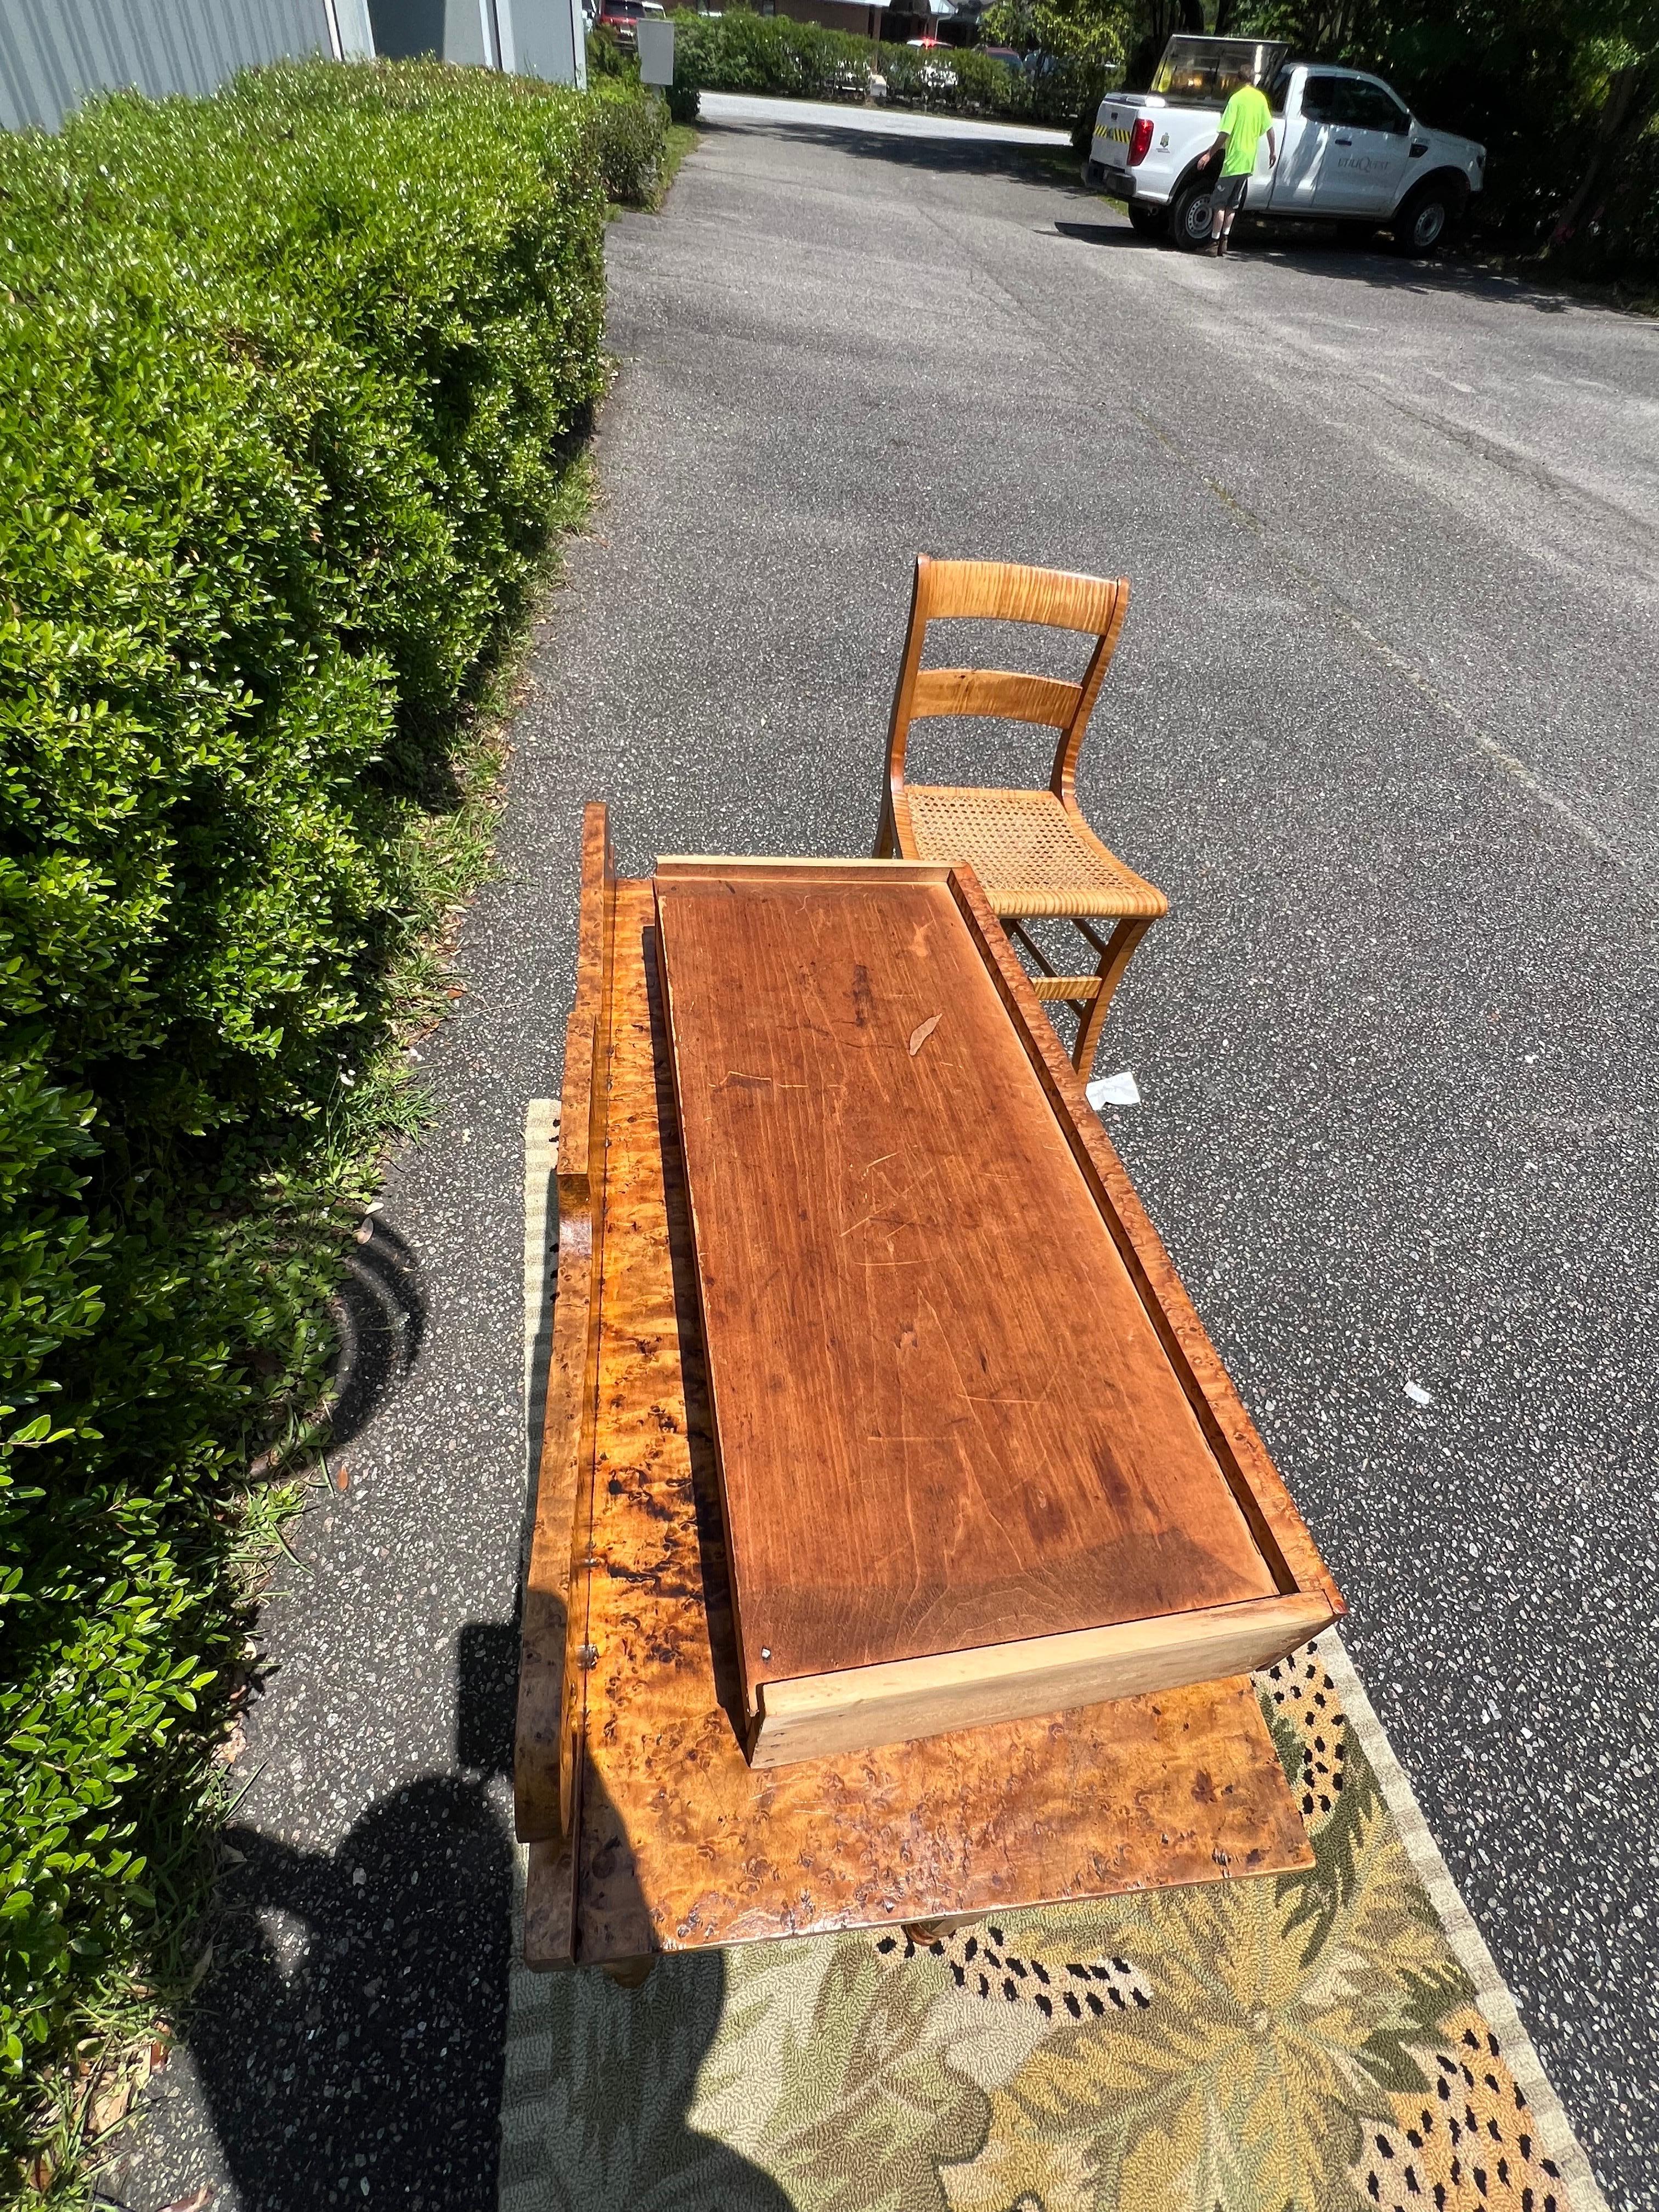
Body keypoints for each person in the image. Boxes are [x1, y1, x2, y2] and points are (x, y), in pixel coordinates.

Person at [1196, 79, 1277, 257]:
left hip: (1233, 161)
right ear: (1253, 80)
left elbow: (1225, 132)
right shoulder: (1261, 99)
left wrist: (1210, 154)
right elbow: (1270, 128)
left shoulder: (1236, 99)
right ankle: (1225, 241)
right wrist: (1273, 151)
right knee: (1232, 204)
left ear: (1240, 81)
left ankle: (1213, 243)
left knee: (1219, 204)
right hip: (1248, 161)